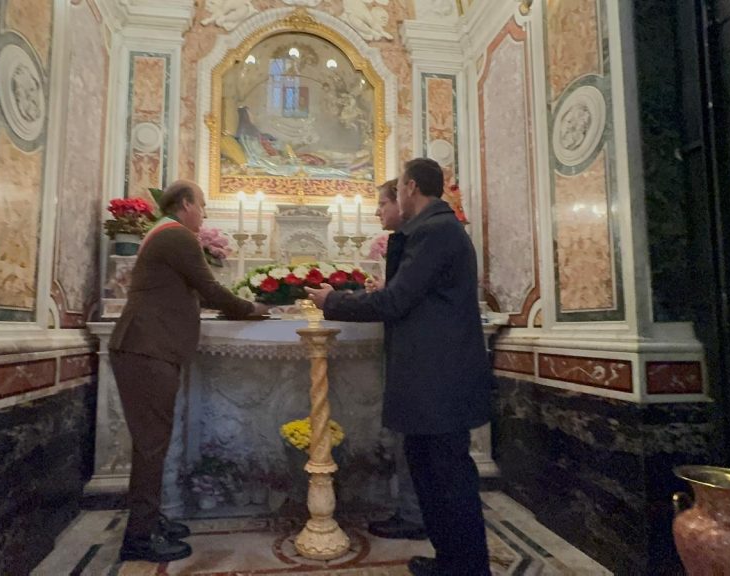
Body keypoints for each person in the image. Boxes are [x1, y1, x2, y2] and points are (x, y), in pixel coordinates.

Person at [307, 159, 491, 576]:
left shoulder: (437, 230)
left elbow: (394, 303)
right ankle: (451, 562)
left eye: (398, 189)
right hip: (431, 378)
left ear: (409, 187)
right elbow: (413, 297)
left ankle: (470, 569)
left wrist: (331, 302)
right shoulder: (430, 230)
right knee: (429, 478)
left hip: (440, 380)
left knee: (450, 482)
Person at [109, 180, 268, 563]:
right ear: (184, 204)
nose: (205, 213)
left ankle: (149, 520)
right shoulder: (177, 236)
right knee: (151, 444)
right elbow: (211, 290)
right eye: (202, 205)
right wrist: (254, 309)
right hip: (148, 348)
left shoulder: (163, 234)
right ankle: (139, 538)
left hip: (146, 347)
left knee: (152, 442)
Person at [364, 179, 426, 541]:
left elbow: (402, 302)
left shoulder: (427, 236)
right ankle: (412, 512)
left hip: (419, 360)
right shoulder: (408, 239)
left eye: (383, 203)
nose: (378, 211)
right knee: (409, 443)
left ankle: (415, 515)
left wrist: (333, 302)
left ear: (405, 196)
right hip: (410, 356)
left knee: (417, 445)